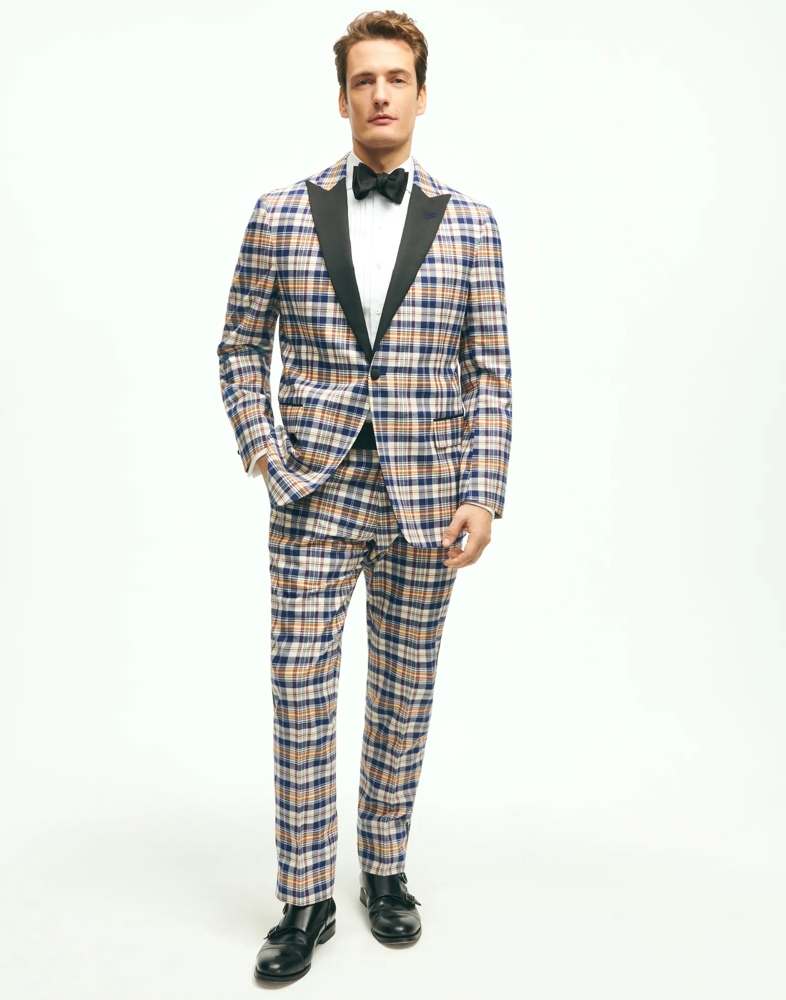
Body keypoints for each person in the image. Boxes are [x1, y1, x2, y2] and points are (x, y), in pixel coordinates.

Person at [216, 9, 511, 984]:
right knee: (299, 684)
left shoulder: (471, 224)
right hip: (314, 489)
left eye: (396, 78)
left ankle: (384, 871)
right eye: (363, 80)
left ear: (421, 94)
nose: (380, 94)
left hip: (430, 498)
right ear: (341, 98)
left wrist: (484, 492)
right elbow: (237, 346)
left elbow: (489, 370)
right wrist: (265, 452)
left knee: (404, 688)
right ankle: (305, 897)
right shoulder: (279, 214)